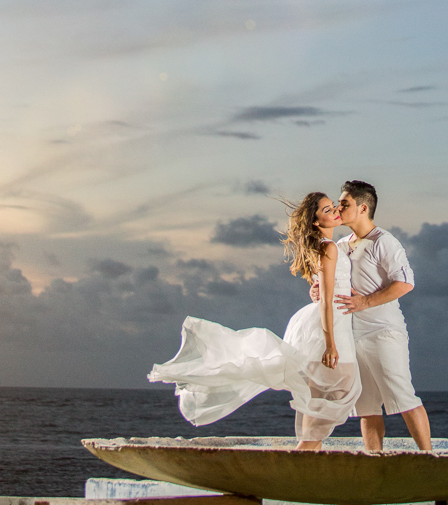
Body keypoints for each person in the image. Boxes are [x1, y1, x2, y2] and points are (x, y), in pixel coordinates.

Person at [148, 193, 360, 449]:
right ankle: (303, 456)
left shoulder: (322, 247)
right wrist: (330, 343)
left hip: (323, 322)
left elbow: (324, 288)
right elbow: (326, 298)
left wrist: (330, 293)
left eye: (332, 206)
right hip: (330, 326)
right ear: (316, 222)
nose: (336, 210)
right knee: (342, 390)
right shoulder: (329, 247)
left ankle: (304, 459)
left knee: (318, 400)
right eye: (327, 209)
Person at [312, 180, 431, 452]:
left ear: (363, 208)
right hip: (352, 336)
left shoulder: (384, 241)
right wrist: (317, 291)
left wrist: (365, 301)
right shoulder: (341, 245)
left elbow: (405, 283)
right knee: (365, 407)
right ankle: (373, 459)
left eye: (345, 204)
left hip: (383, 332)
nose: (338, 208)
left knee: (402, 395)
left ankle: (429, 457)